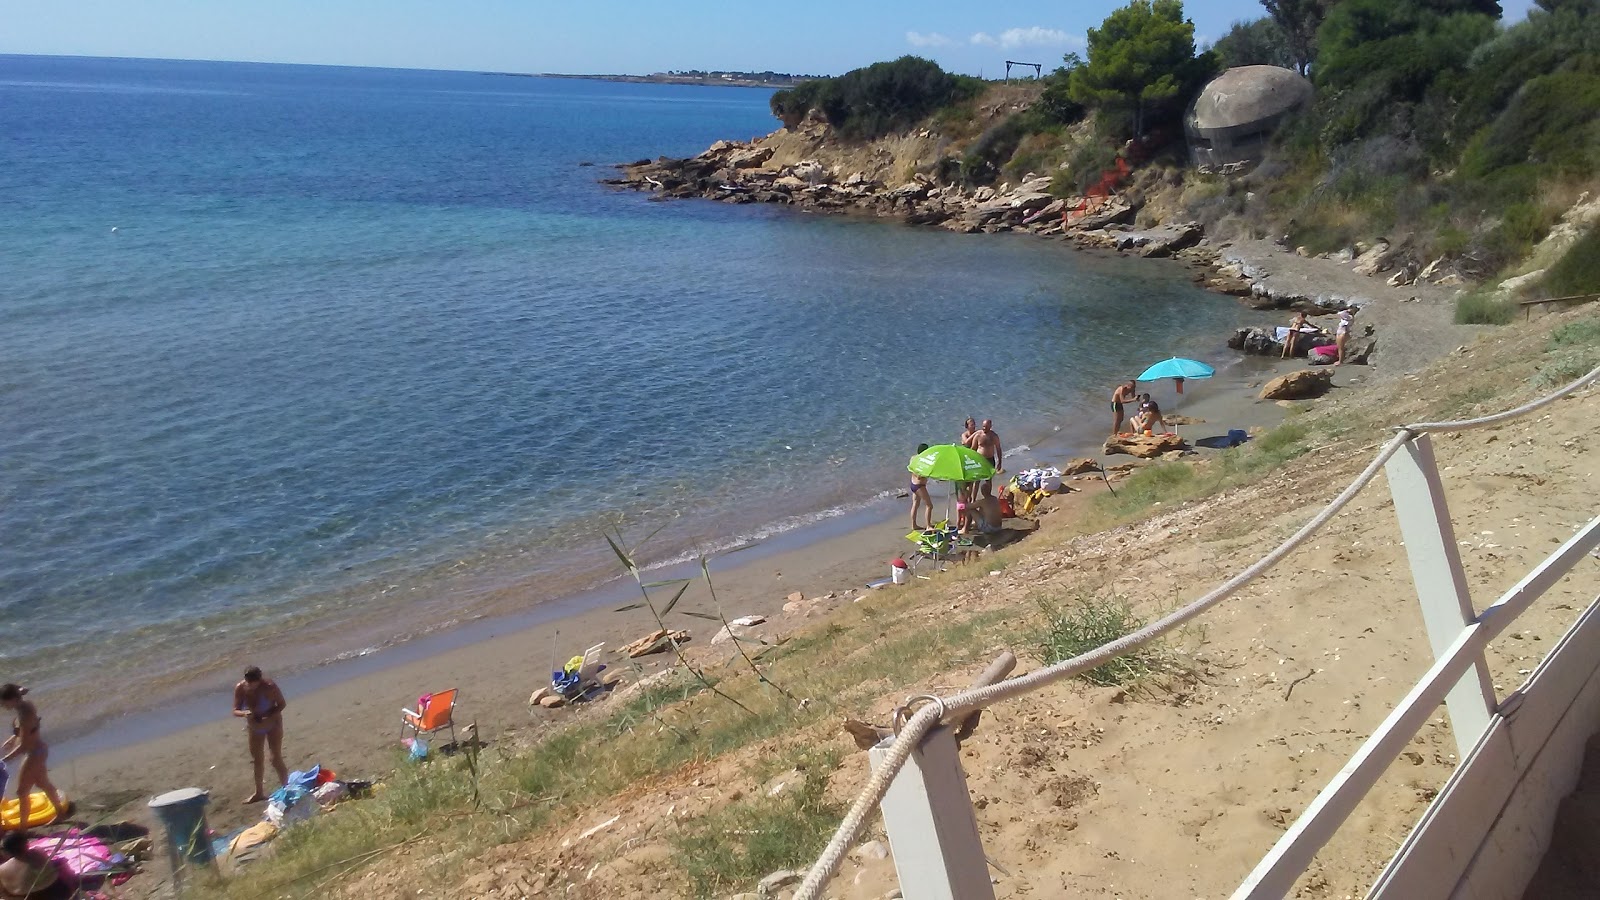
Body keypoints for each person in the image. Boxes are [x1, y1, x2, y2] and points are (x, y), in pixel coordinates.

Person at [0, 685, 67, 832]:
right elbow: (29, 730)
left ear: (12, 699)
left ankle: (22, 830)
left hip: (34, 754)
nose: (2, 705)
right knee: (43, 784)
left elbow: (24, 745)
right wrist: (13, 738)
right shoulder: (24, 706)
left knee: (22, 792)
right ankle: (60, 812)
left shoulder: (24, 713)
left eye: (3, 702)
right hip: (39, 751)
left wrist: (4, 760)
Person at [233, 667, 289, 803]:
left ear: (260, 679)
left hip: (273, 724)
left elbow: (281, 704)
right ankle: (259, 792)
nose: (251, 685)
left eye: (254, 682)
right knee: (257, 759)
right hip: (254, 727)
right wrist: (245, 713)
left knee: (275, 758)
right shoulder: (240, 688)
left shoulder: (269, 686)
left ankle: (287, 788)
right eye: (248, 681)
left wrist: (267, 715)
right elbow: (235, 710)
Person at [0, 831, 71, 900]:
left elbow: (3, 894)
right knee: (60, 862)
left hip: (29, 897)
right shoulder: (38, 851)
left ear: (7, 852)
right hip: (56, 891)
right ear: (27, 844)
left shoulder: (2, 869)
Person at [908, 443, 934, 530]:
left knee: (915, 504)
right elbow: (919, 476)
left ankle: (913, 525)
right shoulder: (922, 461)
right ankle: (928, 526)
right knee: (929, 505)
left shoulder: (913, 458)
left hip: (913, 484)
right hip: (919, 486)